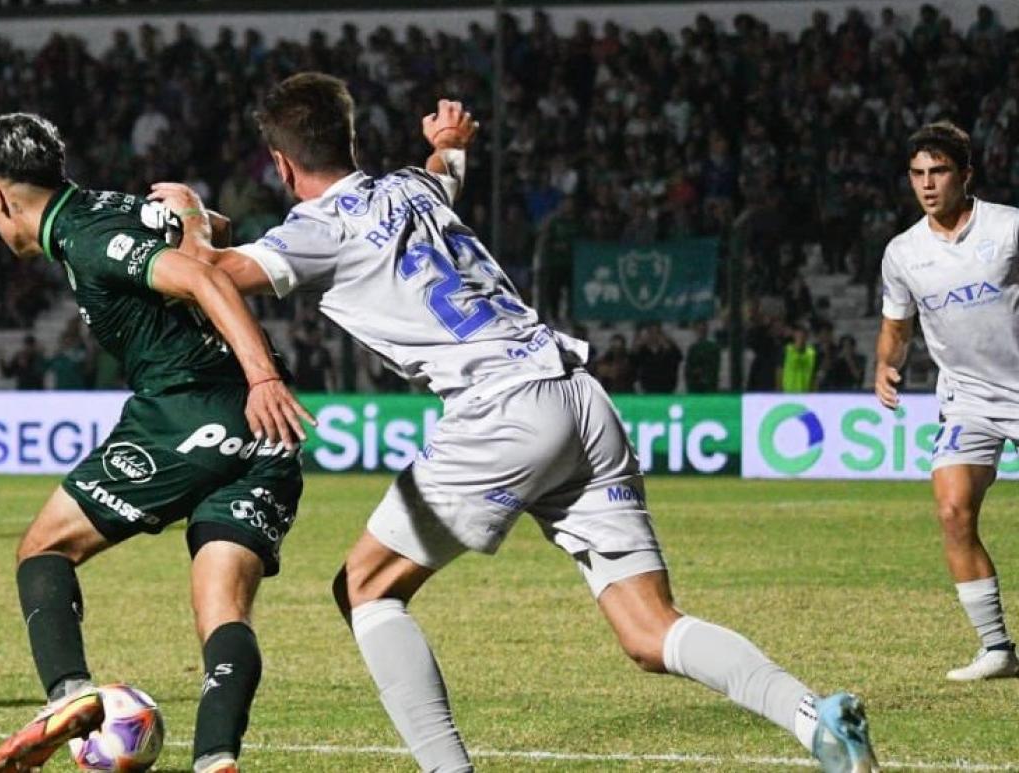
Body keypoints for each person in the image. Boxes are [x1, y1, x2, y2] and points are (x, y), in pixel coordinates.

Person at [153, 73, 879, 773]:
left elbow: (206, 272)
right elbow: (446, 171)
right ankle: (812, 715)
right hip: (578, 394)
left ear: (281, 162)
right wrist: (449, 141)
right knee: (649, 629)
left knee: (366, 588)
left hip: (500, 408)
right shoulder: (410, 185)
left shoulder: (315, 229)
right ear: (348, 138)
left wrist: (188, 210)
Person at [0, 113, 314, 773]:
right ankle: (216, 759)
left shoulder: (87, 237)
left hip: (195, 406)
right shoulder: (119, 206)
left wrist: (260, 373)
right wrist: (196, 215)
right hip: (264, 429)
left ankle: (68, 694)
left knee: (43, 546)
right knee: (222, 605)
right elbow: (217, 248)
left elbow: (206, 280)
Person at [876, 121, 1019, 681]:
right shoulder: (903, 253)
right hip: (967, 399)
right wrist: (886, 364)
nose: (928, 184)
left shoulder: (1008, 229)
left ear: (966, 175)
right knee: (953, 509)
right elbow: (896, 324)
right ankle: (998, 650)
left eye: (938, 172)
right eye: (918, 174)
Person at [684, 321, 721, 392]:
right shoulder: (692, 348)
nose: (701, 332)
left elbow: (714, 367)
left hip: (708, 387)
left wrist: (704, 373)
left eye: (703, 330)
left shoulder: (713, 347)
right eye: (699, 330)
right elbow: (688, 369)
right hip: (695, 387)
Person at [779, 326, 818, 393]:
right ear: (794, 335)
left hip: (805, 392)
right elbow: (779, 371)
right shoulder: (786, 350)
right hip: (788, 392)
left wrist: (813, 392)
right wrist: (779, 390)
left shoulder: (812, 353)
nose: (801, 336)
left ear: (807, 336)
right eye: (798, 334)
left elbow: (814, 375)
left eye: (803, 334)